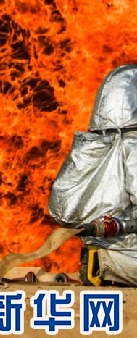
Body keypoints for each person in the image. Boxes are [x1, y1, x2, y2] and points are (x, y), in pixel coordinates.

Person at [49, 64, 137, 285]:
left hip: (100, 246)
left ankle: (102, 263)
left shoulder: (92, 147)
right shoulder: (132, 146)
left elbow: (63, 211)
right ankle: (106, 264)